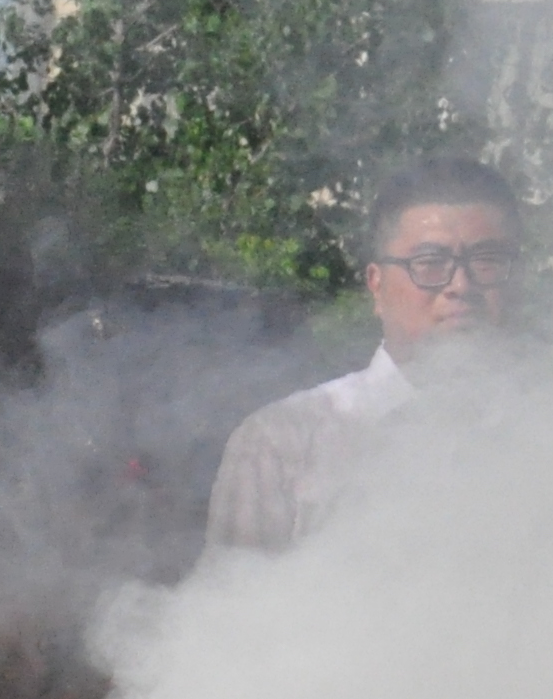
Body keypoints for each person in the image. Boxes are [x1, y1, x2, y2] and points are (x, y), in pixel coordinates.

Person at [205, 153, 525, 558]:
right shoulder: (283, 445)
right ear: (376, 285)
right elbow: (231, 613)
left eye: (488, 262)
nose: (460, 284)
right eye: (429, 263)